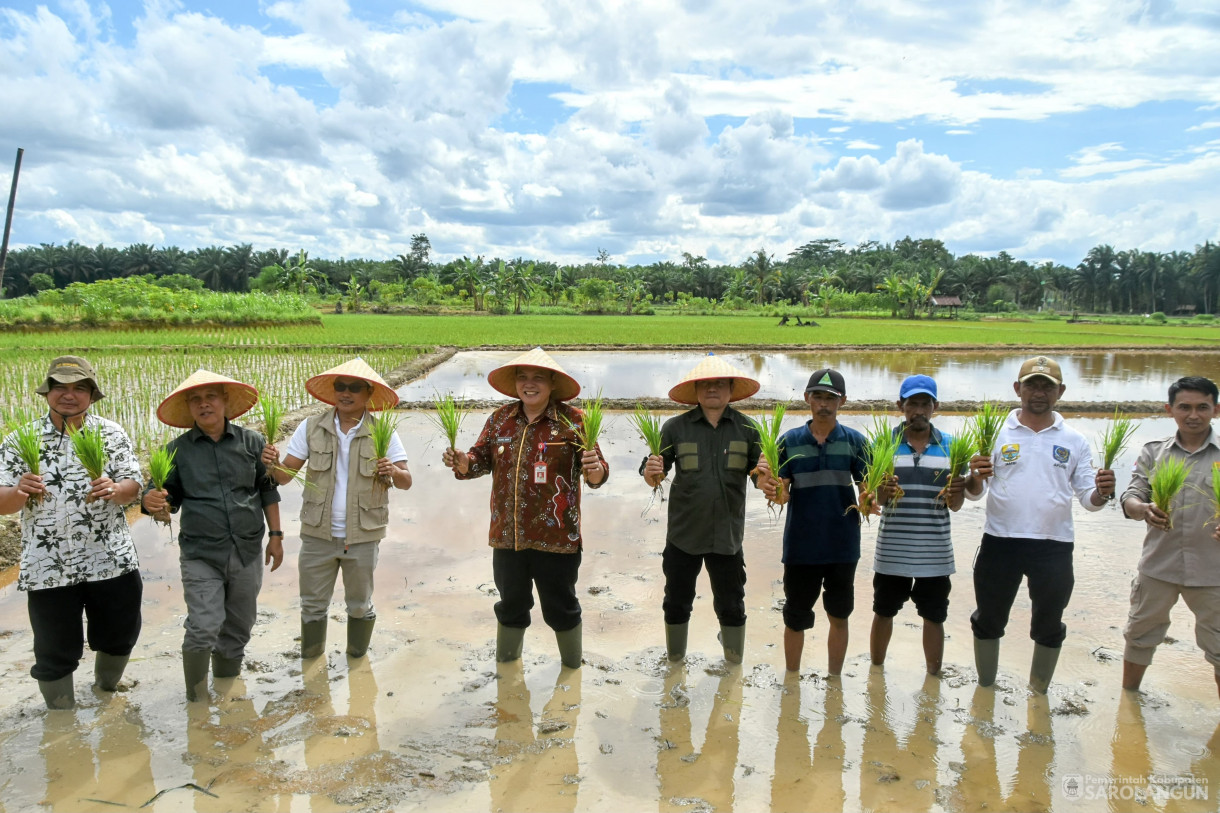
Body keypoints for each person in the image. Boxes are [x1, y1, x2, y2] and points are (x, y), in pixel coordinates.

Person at [442, 347, 608, 669]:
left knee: (561, 608)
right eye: (523, 378)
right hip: (508, 538)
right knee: (511, 607)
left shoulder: (574, 422)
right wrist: (463, 463)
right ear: (515, 383)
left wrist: (594, 469)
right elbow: (478, 461)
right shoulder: (500, 420)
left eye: (538, 378)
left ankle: (572, 672)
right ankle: (507, 672)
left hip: (557, 539)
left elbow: (597, 475)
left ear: (552, 384)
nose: (529, 384)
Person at [0, 356, 143, 709]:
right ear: (47, 391)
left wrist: (116, 489)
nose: (69, 395)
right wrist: (19, 491)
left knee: (119, 635)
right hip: (49, 566)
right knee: (53, 650)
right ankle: (61, 720)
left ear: (92, 395)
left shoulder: (111, 433)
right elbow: (3, 502)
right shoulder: (21, 439)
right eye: (60, 387)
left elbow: (134, 486)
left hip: (109, 558)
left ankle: (105, 690)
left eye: (79, 387)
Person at [966, 356, 1115, 693]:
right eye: (1032, 384)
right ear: (1018, 389)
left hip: (1054, 547)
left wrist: (1104, 493)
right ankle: (985, 688)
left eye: (1047, 386)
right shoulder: (995, 433)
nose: (1039, 392)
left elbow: (1088, 499)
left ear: (1060, 391)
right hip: (1000, 542)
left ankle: (1038, 694)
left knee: (1049, 624)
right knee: (988, 619)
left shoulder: (1074, 440)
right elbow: (976, 493)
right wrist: (975, 475)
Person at [142, 370, 283, 702]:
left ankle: (225, 685)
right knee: (204, 625)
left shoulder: (253, 442)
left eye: (211, 397)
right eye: (196, 399)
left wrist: (276, 536)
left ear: (225, 402)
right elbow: (164, 498)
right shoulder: (174, 451)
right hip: (201, 554)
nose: (204, 405)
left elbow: (268, 490)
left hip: (247, 548)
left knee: (240, 624)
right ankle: (196, 700)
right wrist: (151, 502)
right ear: (189, 408)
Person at [263, 358, 411, 660]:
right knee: (312, 604)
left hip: (364, 534)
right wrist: (272, 463)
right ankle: (312, 663)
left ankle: (357, 663)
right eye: (340, 387)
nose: (346, 393)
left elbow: (406, 480)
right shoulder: (311, 427)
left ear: (368, 393)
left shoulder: (383, 431)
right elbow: (283, 477)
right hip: (318, 533)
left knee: (359, 604)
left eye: (354, 387)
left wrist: (392, 472)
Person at [641, 355, 763, 663]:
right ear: (695, 390)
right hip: (684, 535)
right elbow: (655, 471)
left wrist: (768, 477)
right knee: (677, 602)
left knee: (732, 604)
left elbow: (759, 477)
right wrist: (650, 472)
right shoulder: (675, 429)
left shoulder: (748, 430)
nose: (712, 389)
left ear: (730, 389)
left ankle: (733, 664)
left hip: (728, 536)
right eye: (705, 384)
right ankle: (675, 661)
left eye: (720, 383)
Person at [757, 368, 867, 675]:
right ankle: (792, 678)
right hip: (801, 548)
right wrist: (769, 485)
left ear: (842, 401)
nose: (824, 403)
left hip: (842, 548)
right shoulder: (789, 442)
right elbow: (781, 495)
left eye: (830, 398)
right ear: (807, 398)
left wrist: (879, 492)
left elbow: (869, 494)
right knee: (795, 617)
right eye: (817, 396)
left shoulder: (856, 443)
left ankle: (834, 678)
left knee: (839, 616)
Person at [1119, 376, 1220, 699]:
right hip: (1158, 567)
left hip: (1213, 572)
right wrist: (1143, 509)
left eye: (1202, 407)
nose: (1194, 415)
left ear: (1215, 409)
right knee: (1139, 635)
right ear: (1170, 410)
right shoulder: (1154, 453)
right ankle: (1128, 703)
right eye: (1185, 407)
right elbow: (1132, 495)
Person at [870, 374, 972, 676]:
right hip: (892, 551)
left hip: (935, 552)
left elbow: (955, 503)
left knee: (934, 616)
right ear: (900, 406)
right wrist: (882, 491)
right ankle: (876, 673)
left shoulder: (953, 447)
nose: (918, 410)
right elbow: (877, 499)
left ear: (935, 406)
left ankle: (933, 675)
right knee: (883, 611)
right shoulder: (884, 443)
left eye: (924, 404)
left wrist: (958, 494)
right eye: (912, 403)